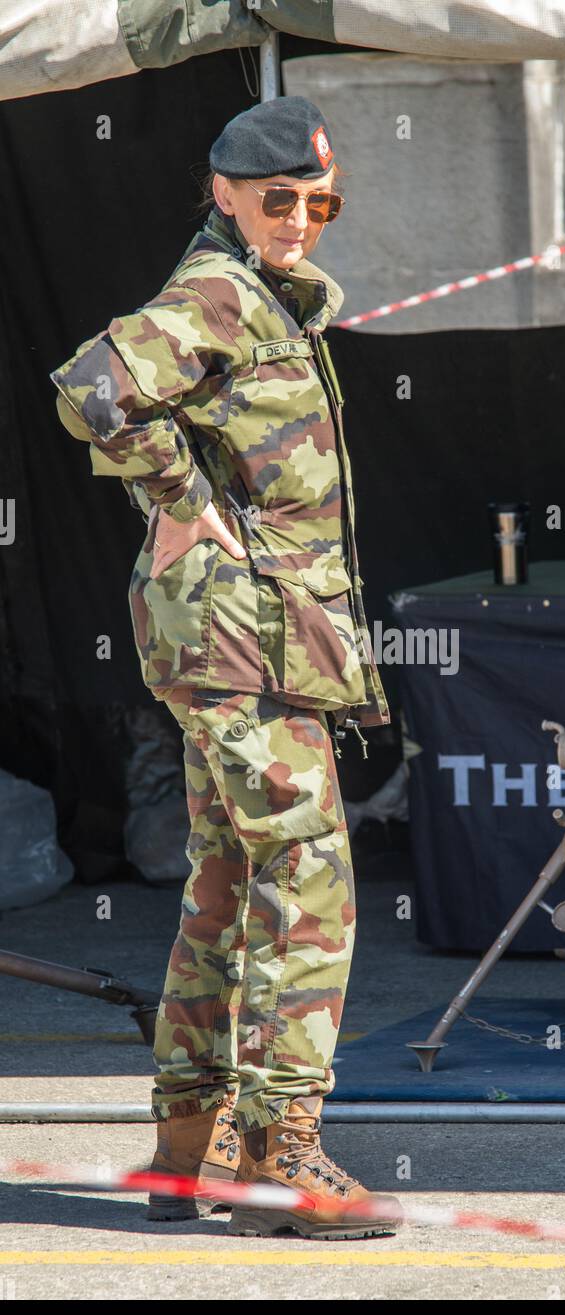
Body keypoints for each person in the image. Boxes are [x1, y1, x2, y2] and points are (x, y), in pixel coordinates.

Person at [51, 96, 402, 1240]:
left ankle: (183, 1151)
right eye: (278, 199)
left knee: (227, 883)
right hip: (238, 637)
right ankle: (284, 1157)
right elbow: (90, 386)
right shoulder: (217, 293)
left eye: (318, 201)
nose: (302, 218)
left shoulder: (265, 299)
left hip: (256, 637)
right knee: (307, 885)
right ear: (224, 192)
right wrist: (181, 496)